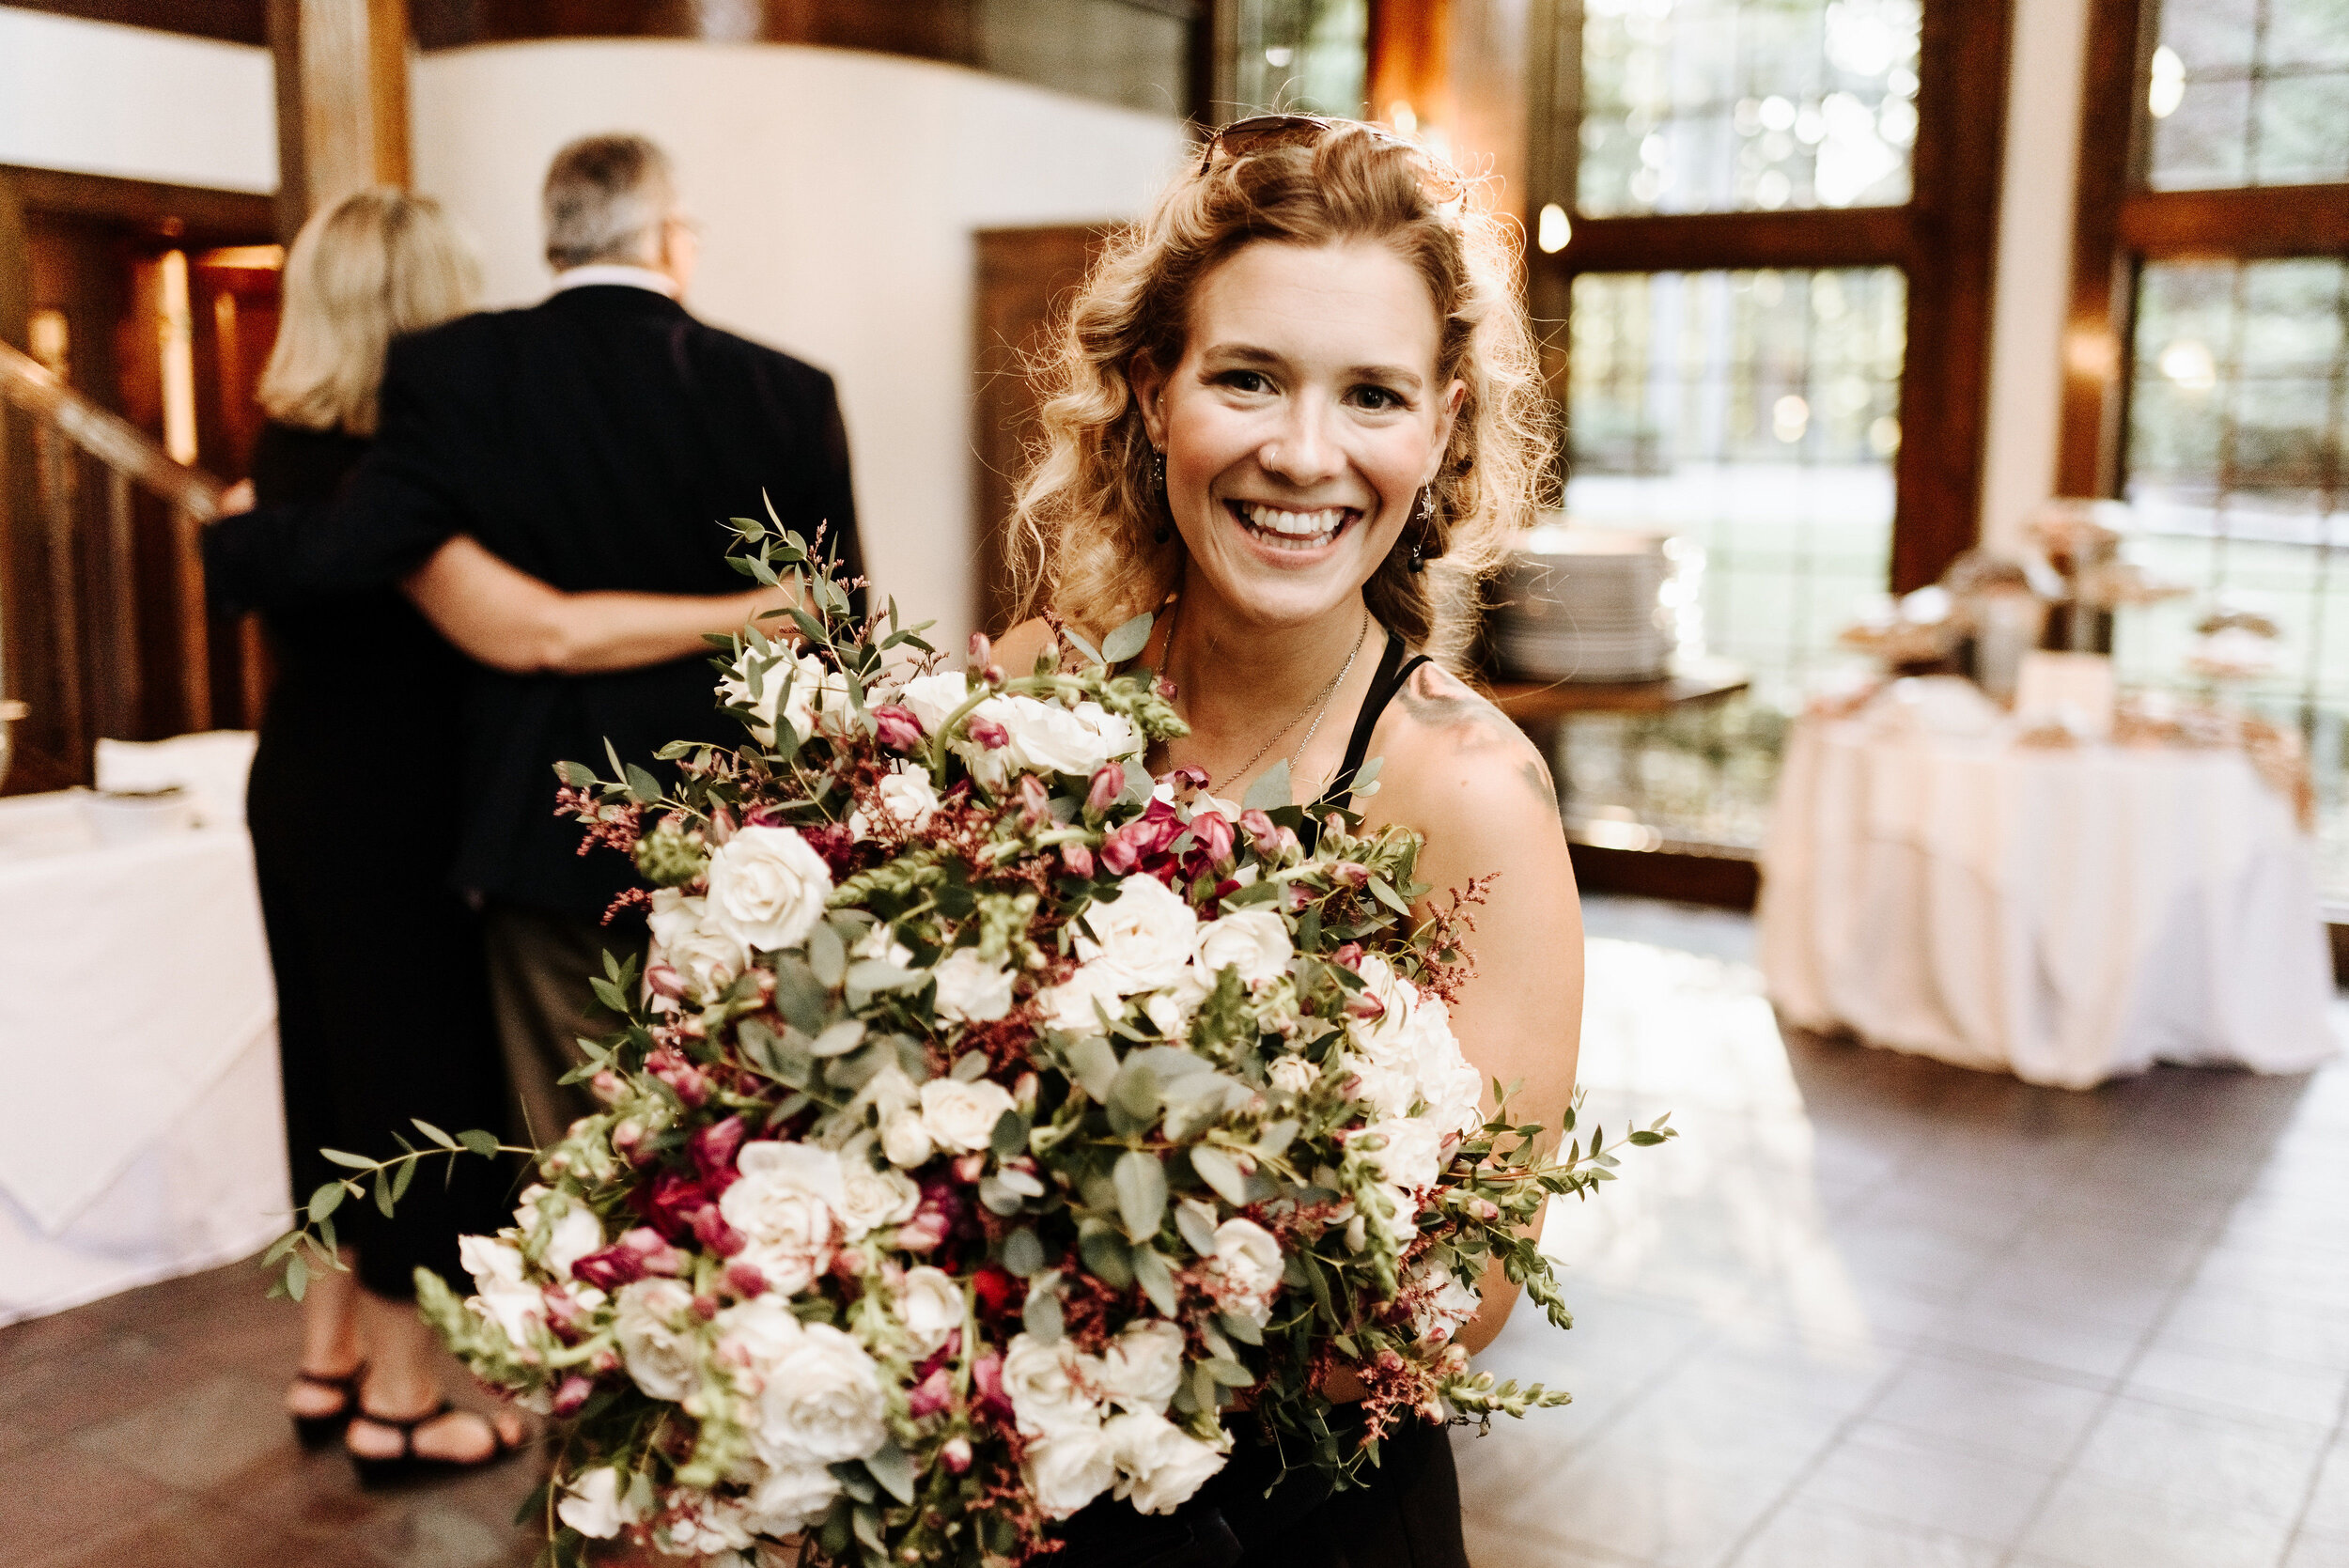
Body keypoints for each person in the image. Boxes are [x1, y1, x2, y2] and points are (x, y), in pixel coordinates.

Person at [995, 116, 1583, 1566]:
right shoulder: (1029, 691)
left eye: (1372, 394)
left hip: (1298, 1520)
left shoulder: (1468, 795)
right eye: (1247, 377)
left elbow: (1469, 1292)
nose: (1302, 455)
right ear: (1151, 391)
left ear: (1442, 426)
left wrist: (1101, 1339)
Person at [223, 188, 798, 1484]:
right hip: (390, 816)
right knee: (410, 1087)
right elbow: (528, 629)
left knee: (329, 1071)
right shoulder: (397, 474)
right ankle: (406, 1404)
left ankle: (332, 1359)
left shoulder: (286, 443)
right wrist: (739, 612)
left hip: (306, 786)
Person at [205, 132, 865, 1154]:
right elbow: (838, 629)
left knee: (573, 1165)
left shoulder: (458, 371)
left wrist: (246, 536)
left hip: (548, 829)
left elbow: (370, 538)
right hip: (752, 828)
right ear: (665, 238)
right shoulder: (789, 389)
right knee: (749, 1140)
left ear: (553, 239)